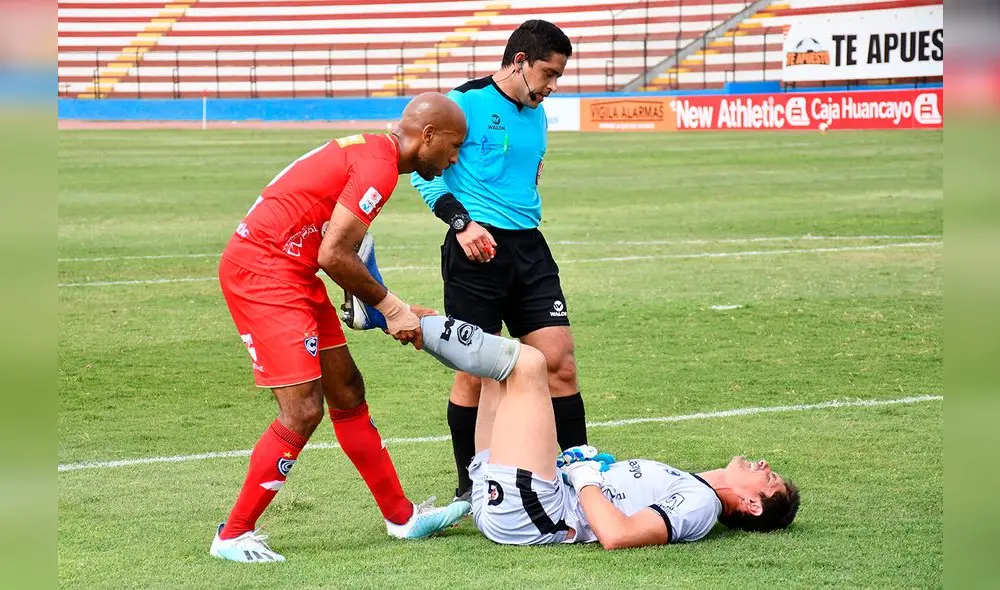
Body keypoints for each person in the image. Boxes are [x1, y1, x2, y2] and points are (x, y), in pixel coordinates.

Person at [210, 92, 470, 563]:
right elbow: (335, 254)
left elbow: (339, 243)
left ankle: (402, 517)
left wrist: (388, 303)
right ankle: (233, 534)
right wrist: (392, 308)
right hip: (263, 272)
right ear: (428, 136)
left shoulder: (374, 154)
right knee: (303, 410)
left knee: (347, 389)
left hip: (294, 269)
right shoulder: (379, 166)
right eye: (454, 147)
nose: (454, 158)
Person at [415, 316, 801, 549]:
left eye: (769, 478)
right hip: (516, 503)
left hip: (531, 513)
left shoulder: (701, 506)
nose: (765, 465)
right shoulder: (691, 484)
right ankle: (399, 316)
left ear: (753, 505)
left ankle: (397, 318)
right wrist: (584, 469)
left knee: (527, 363)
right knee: (494, 363)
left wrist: (584, 477)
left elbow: (617, 535)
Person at [409, 19, 587, 504]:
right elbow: (424, 174)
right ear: (519, 62)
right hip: (475, 251)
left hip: (529, 249)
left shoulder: (538, 115)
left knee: (560, 363)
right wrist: (463, 223)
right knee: (473, 371)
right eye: (548, 74)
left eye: (559, 78)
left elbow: (527, 176)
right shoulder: (463, 103)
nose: (552, 87)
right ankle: (470, 487)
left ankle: (582, 476)